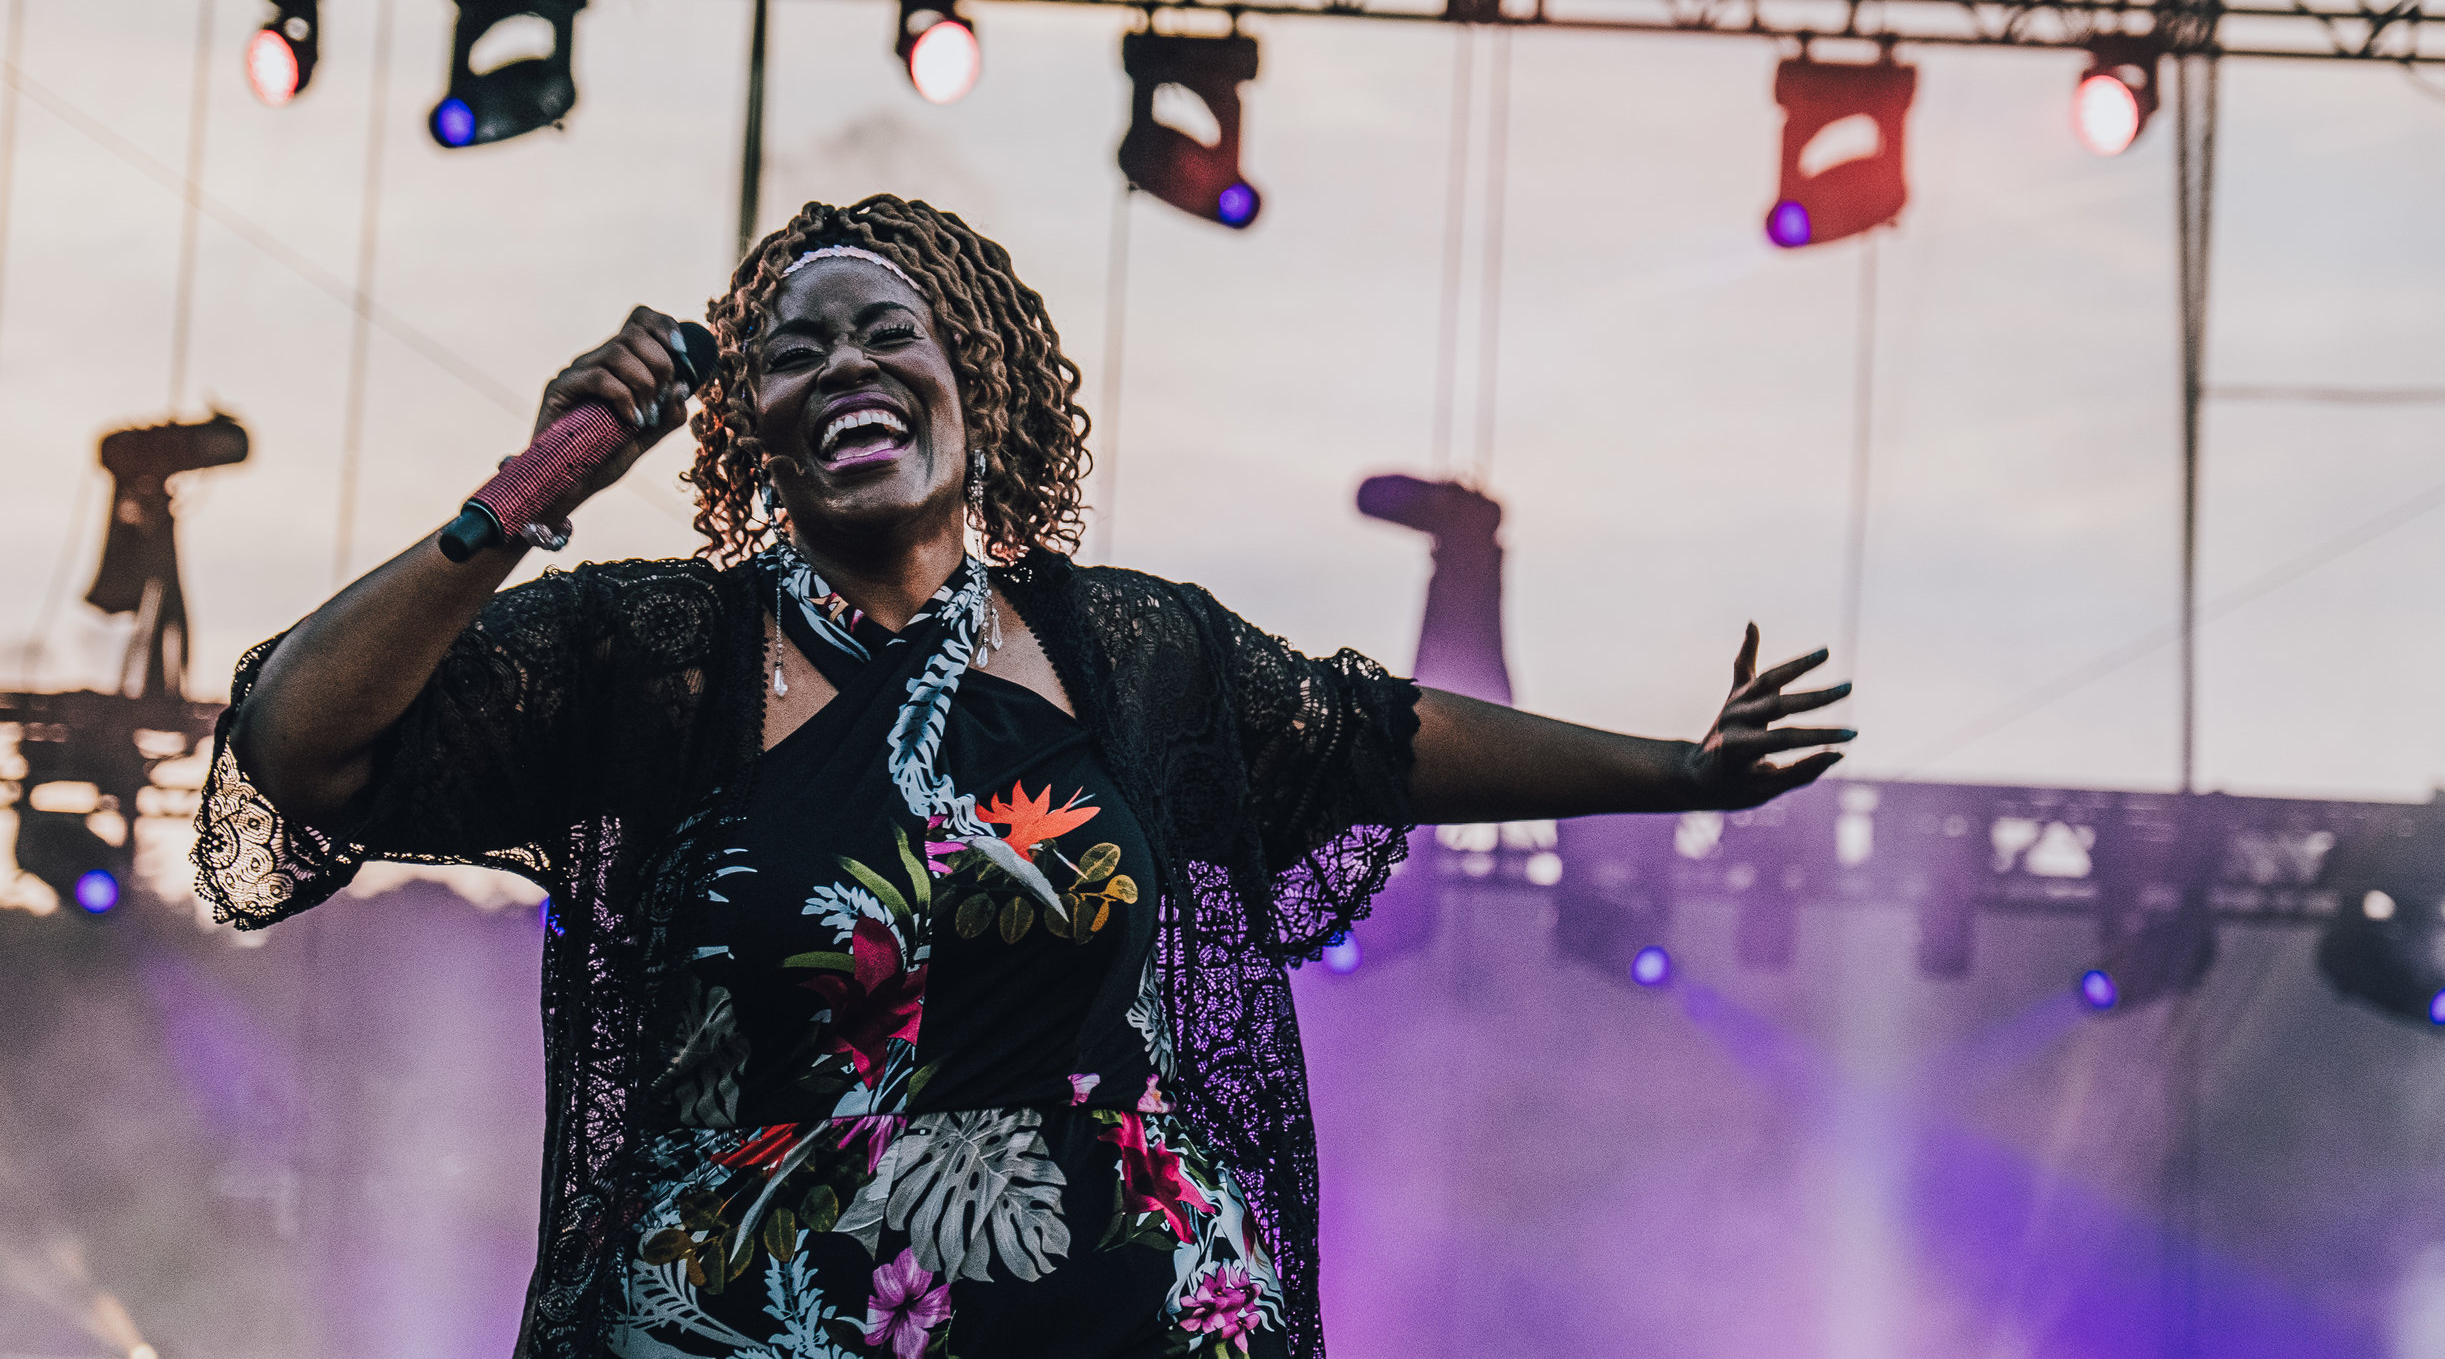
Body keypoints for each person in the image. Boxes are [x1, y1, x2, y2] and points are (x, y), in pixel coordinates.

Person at [197, 196, 1853, 1359]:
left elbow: (1378, 739)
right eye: (793, 353)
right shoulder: (662, 656)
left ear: (972, 391)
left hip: (1117, 1312)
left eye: (887, 333)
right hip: (757, 1317)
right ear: (753, 434)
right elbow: (298, 743)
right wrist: (530, 489)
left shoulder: (1129, 652)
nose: (844, 366)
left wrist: (1680, 768)